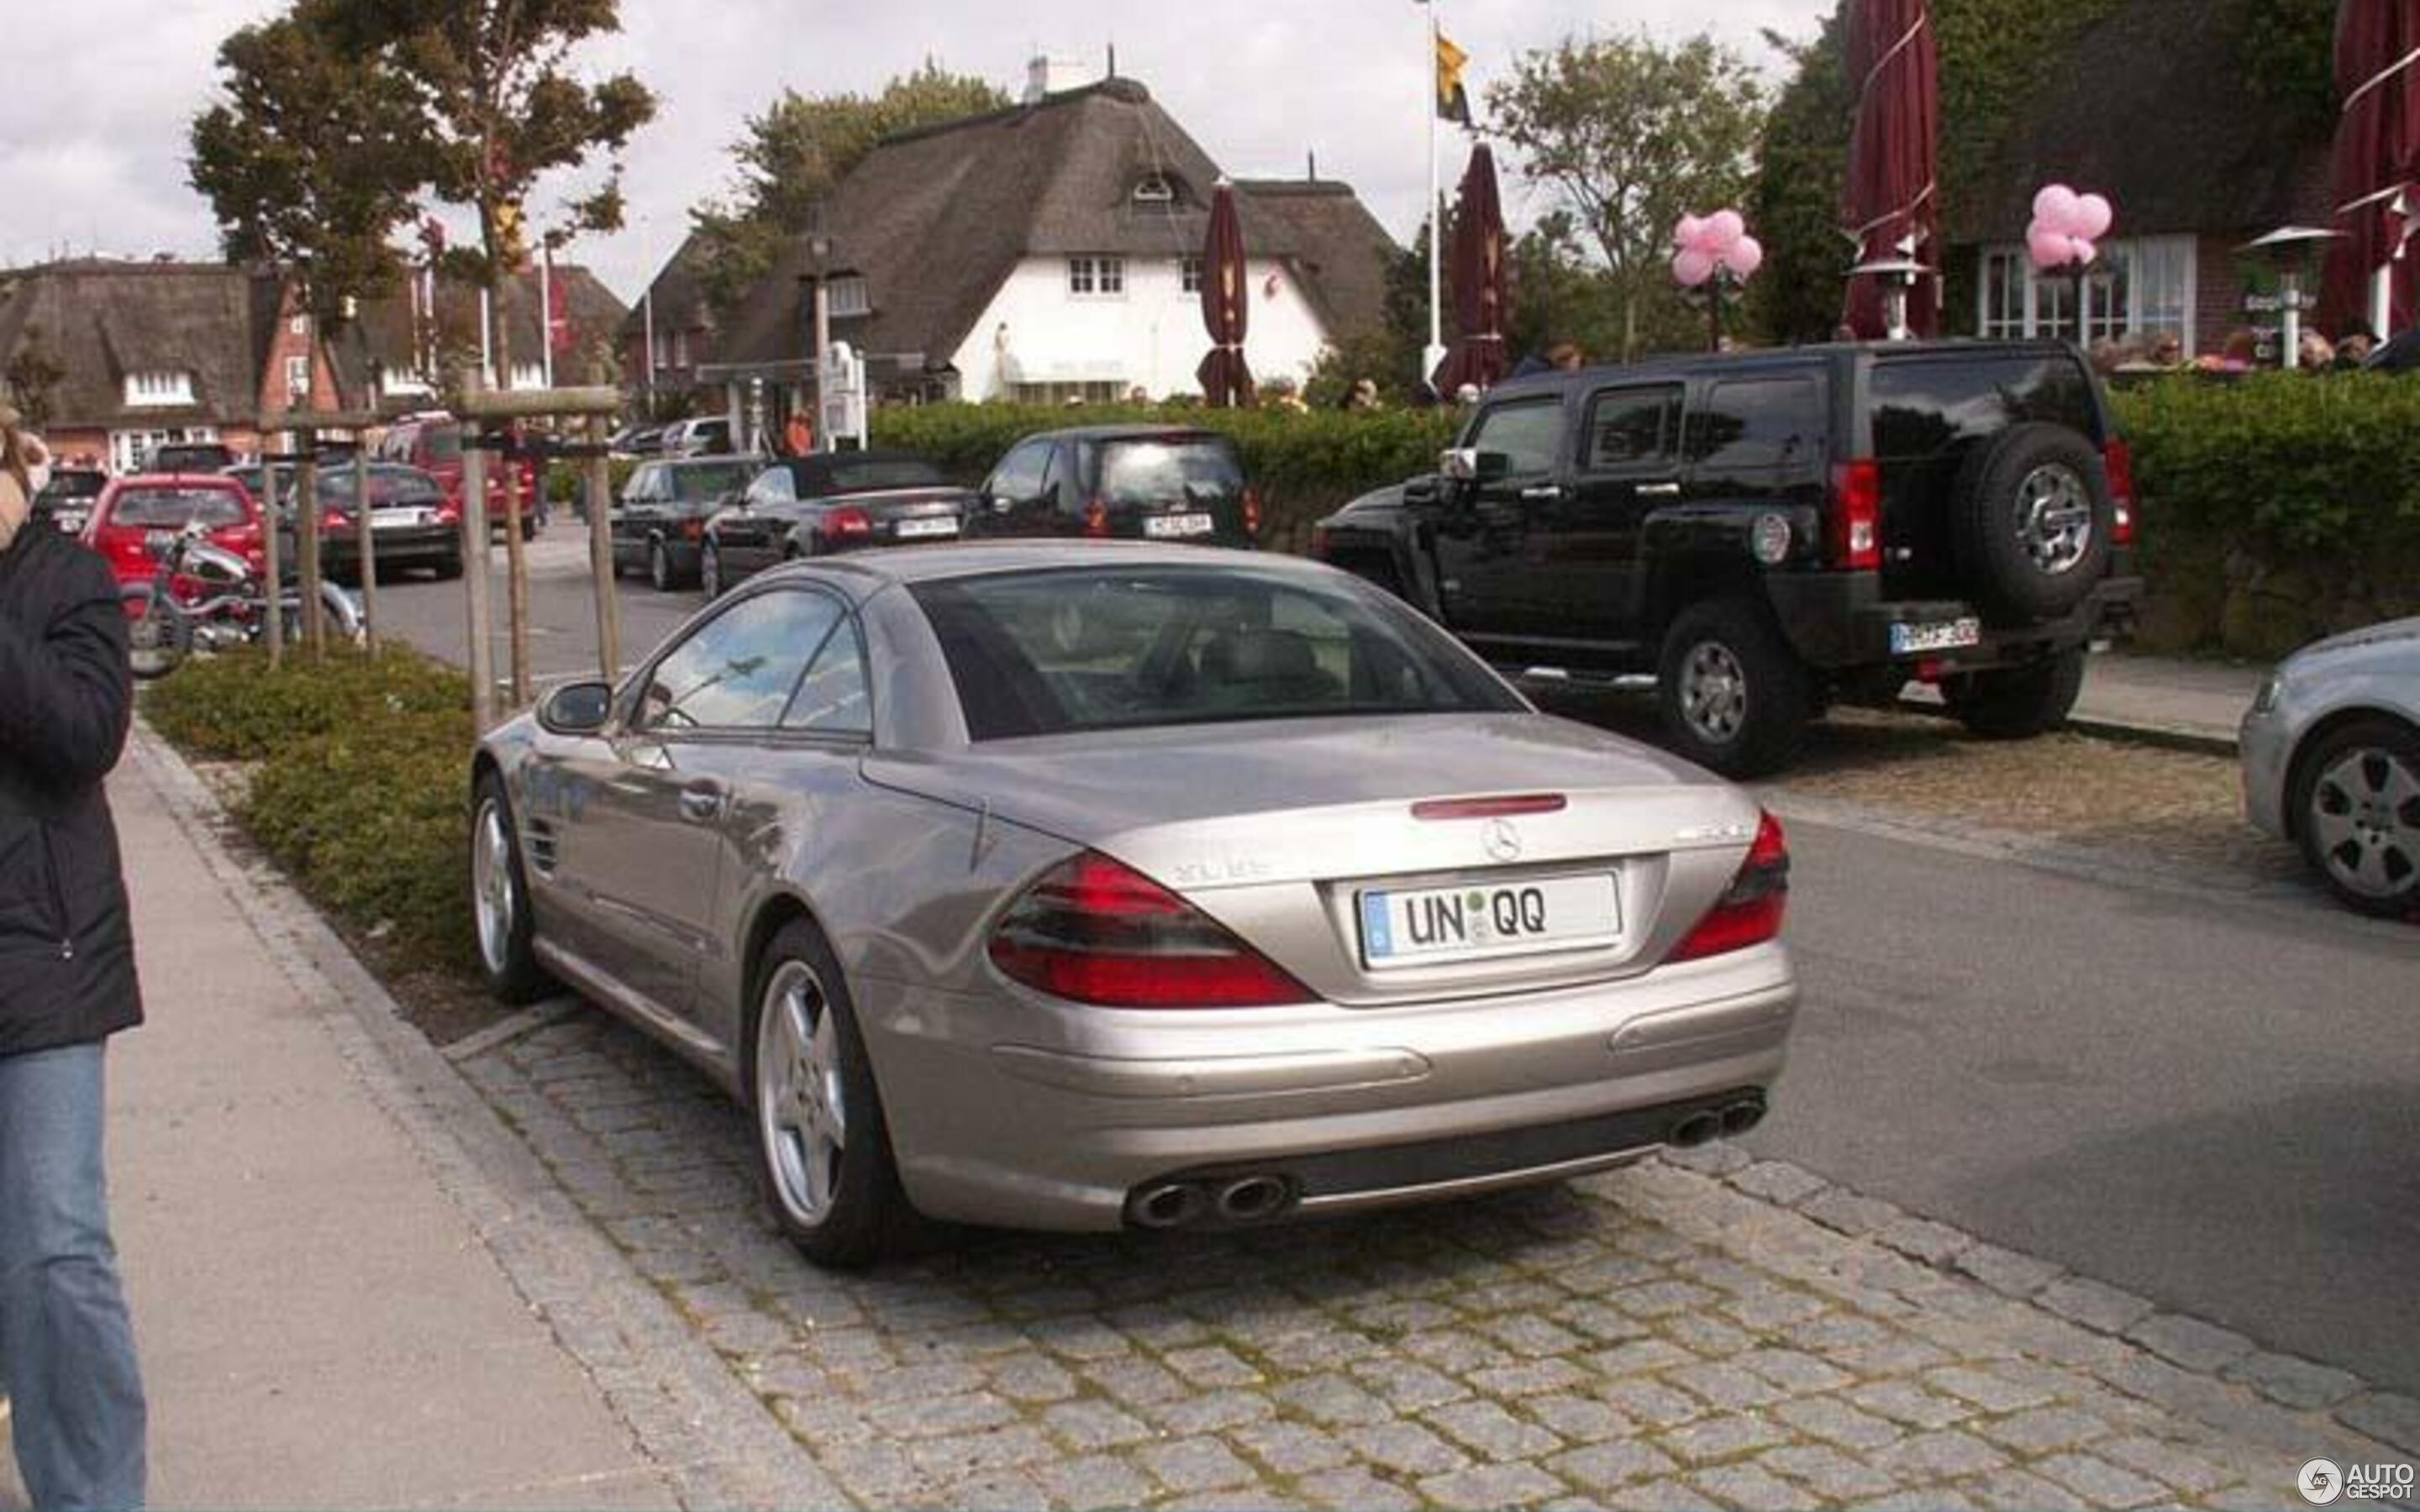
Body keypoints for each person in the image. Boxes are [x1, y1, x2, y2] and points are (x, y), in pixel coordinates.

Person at [0, 407, 148, 1511]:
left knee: (56, 1250)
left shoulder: (72, 584)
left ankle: (91, 1497)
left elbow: (82, 738)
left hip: (43, 959)